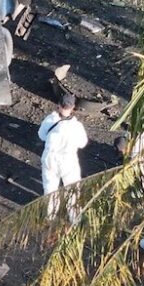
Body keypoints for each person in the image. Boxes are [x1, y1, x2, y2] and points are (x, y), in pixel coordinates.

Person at [38, 94, 88, 223]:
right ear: (73, 108)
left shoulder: (50, 120)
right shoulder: (76, 126)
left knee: (50, 188)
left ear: (59, 105)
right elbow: (82, 143)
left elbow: (42, 135)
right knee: (72, 189)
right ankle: (75, 218)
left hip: (50, 158)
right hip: (68, 160)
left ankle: (51, 216)